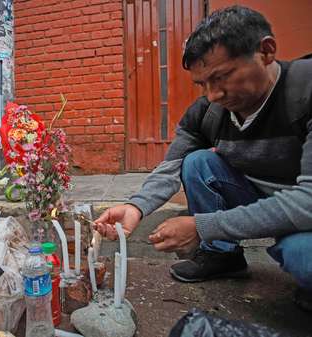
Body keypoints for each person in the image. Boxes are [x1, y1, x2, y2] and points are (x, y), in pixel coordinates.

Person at [94, 6, 312, 311]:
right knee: (197, 162)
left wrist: (203, 226)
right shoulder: (208, 112)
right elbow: (171, 167)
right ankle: (223, 256)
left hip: (304, 209)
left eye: (222, 77)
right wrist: (136, 207)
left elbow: (307, 203)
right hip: (262, 195)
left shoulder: (305, 90)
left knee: (303, 256)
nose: (213, 95)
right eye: (203, 84)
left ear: (266, 51)